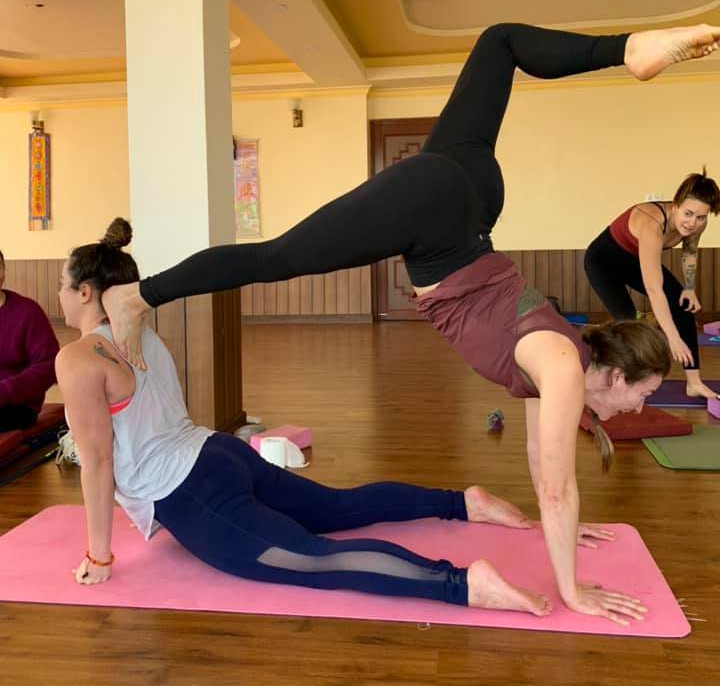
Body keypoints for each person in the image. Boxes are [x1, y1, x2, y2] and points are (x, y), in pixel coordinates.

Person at [104, 22, 720, 623]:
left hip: (468, 199)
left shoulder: (559, 363)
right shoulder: (560, 366)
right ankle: (140, 295)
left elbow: (545, 465)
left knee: (500, 41)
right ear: (613, 373)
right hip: (439, 216)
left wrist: (565, 528)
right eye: (637, 396)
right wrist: (573, 590)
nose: (633, 410)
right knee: (277, 258)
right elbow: (557, 486)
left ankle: (627, 49)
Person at [55, 219, 607, 620]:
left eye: (62, 283)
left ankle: (461, 583)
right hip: (218, 453)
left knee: (313, 558)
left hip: (188, 491)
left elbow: (98, 461)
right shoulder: (140, 331)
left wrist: (99, 555)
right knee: (339, 507)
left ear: (84, 291)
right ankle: (461, 503)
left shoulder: (79, 358)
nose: (59, 294)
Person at [585, 170, 720, 399]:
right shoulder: (652, 223)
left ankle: (694, 382)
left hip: (632, 258)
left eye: (701, 217)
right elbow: (654, 289)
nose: (693, 222)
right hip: (602, 261)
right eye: (688, 213)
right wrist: (673, 338)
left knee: (682, 304)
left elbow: (689, 251)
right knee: (627, 319)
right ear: (676, 205)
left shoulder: (696, 224)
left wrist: (689, 288)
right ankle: (610, 378)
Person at [0, 248, 59, 432]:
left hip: (16, 405)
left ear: (3, 270)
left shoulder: (28, 311)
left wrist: (5, 391)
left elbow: (48, 366)